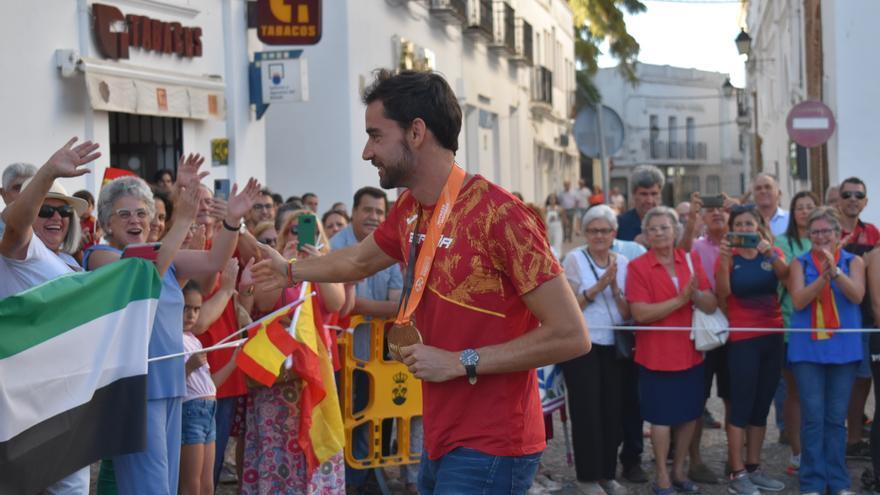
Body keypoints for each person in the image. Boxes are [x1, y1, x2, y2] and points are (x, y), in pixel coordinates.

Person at [253, 69, 589, 493]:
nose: (365, 152)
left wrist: (459, 361)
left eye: (376, 136)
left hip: (494, 442)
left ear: (416, 132)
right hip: (439, 433)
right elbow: (358, 261)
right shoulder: (411, 206)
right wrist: (289, 269)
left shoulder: (502, 216)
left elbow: (572, 335)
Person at [85, 157, 260, 495]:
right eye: (124, 214)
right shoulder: (99, 255)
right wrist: (182, 217)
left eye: (141, 213)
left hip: (171, 385)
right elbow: (143, 274)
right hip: (135, 385)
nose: (135, 219)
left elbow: (214, 261)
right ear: (106, 223)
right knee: (148, 487)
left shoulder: (160, 254)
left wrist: (232, 221)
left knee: (166, 485)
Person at [0, 138, 99, 495]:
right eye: (45, 210)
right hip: (26, 403)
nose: (55, 217)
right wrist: (49, 172)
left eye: (63, 211)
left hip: (66, 399)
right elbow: (14, 226)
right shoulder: (21, 251)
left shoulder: (65, 263)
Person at [625, 206, 717, 495]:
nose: (659, 233)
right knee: (661, 418)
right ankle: (662, 476)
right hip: (656, 355)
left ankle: (679, 470)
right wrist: (681, 300)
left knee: (691, 414)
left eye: (665, 227)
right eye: (653, 229)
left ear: (676, 231)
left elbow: (711, 304)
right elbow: (640, 313)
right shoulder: (637, 267)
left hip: (690, 352)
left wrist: (696, 296)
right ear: (645, 234)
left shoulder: (689, 260)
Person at [330, 186, 408, 493]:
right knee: (345, 421)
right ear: (353, 211)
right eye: (368, 210)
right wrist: (367, 307)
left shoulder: (388, 248)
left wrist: (364, 306)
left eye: (379, 211)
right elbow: (343, 305)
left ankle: (366, 479)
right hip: (342, 353)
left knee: (374, 418)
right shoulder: (337, 246)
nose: (374, 217)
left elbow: (397, 303)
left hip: (377, 355)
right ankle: (345, 482)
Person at [788, 206, 865, 495]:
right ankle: (812, 481)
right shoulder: (799, 263)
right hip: (808, 349)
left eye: (826, 231)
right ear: (809, 235)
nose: (821, 236)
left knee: (835, 418)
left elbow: (857, 295)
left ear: (837, 234)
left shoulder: (854, 261)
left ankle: (838, 480)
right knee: (813, 417)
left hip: (843, 350)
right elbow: (797, 301)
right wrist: (821, 277)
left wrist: (836, 273)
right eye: (815, 231)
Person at [716, 206, 788, 495]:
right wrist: (722, 260)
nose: (745, 228)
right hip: (743, 338)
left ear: (759, 226)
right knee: (742, 405)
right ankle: (737, 472)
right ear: (732, 228)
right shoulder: (729, 257)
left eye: (750, 223)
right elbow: (723, 293)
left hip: (773, 336)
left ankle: (754, 467)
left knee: (762, 405)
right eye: (740, 224)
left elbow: (785, 277)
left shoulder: (770, 253)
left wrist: (769, 252)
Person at [560, 205, 630, 495]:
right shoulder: (574, 259)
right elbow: (569, 307)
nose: (599, 236)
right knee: (586, 412)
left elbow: (627, 313)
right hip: (582, 346)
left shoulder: (623, 261)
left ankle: (607, 474)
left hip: (614, 346)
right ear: (585, 233)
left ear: (614, 233)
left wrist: (614, 289)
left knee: (613, 412)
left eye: (604, 230)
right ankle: (587, 477)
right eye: (593, 230)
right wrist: (599, 286)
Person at [679, 192, 735, 485]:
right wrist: (691, 219)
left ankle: (734, 457)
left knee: (732, 397)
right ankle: (696, 460)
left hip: (737, 328)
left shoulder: (742, 241)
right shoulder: (696, 246)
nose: (716, 213)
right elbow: (681, 251)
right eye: (710, 209)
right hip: (703, 325)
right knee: (696, 397)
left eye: (722, 209)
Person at [615, 164, 664, 484]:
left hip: (663, 321)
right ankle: (631, 458)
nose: (649, 199)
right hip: (627, 320)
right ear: (634, 196)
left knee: (660, 394)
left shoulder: (668, 221)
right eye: (643, 194)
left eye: (654, 194)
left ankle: (670, 455)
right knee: (629, 395)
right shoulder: (619, 225)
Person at [179, 276, 241, 495]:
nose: (191, 315)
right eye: (185, 308)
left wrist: (234, 362)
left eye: (196, 309)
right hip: (190, 412)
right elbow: (168, 383)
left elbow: (210, 386)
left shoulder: (194, 340)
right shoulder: (171, 339)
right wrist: (190, 366)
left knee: (207, 483)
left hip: (208, 410)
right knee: (191, 484)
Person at [774, 191, 819, 475]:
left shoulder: (826, 239)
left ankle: (820, 449)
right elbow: (791, 276)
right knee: (795, 392)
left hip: (826, 327)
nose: (804, 211)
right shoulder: (782, 242)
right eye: (799, 207)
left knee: (819, 393)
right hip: (792, 324)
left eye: (810, 207)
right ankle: (797, 451)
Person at [836, 177, 879, 460]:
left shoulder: (873, 233)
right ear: (839, 199)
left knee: (862, 380)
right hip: (835, 318)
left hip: (865, 318)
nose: (853, 199)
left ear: (865, 202)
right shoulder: (828, 229)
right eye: (847, 194)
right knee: (840, 381)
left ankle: (853, 439)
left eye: (858, 195)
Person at [0, 162, 38, 237]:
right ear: (4, 194)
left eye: (30, 187)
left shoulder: (52, 229)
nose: (25, 193)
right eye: (17, 188)